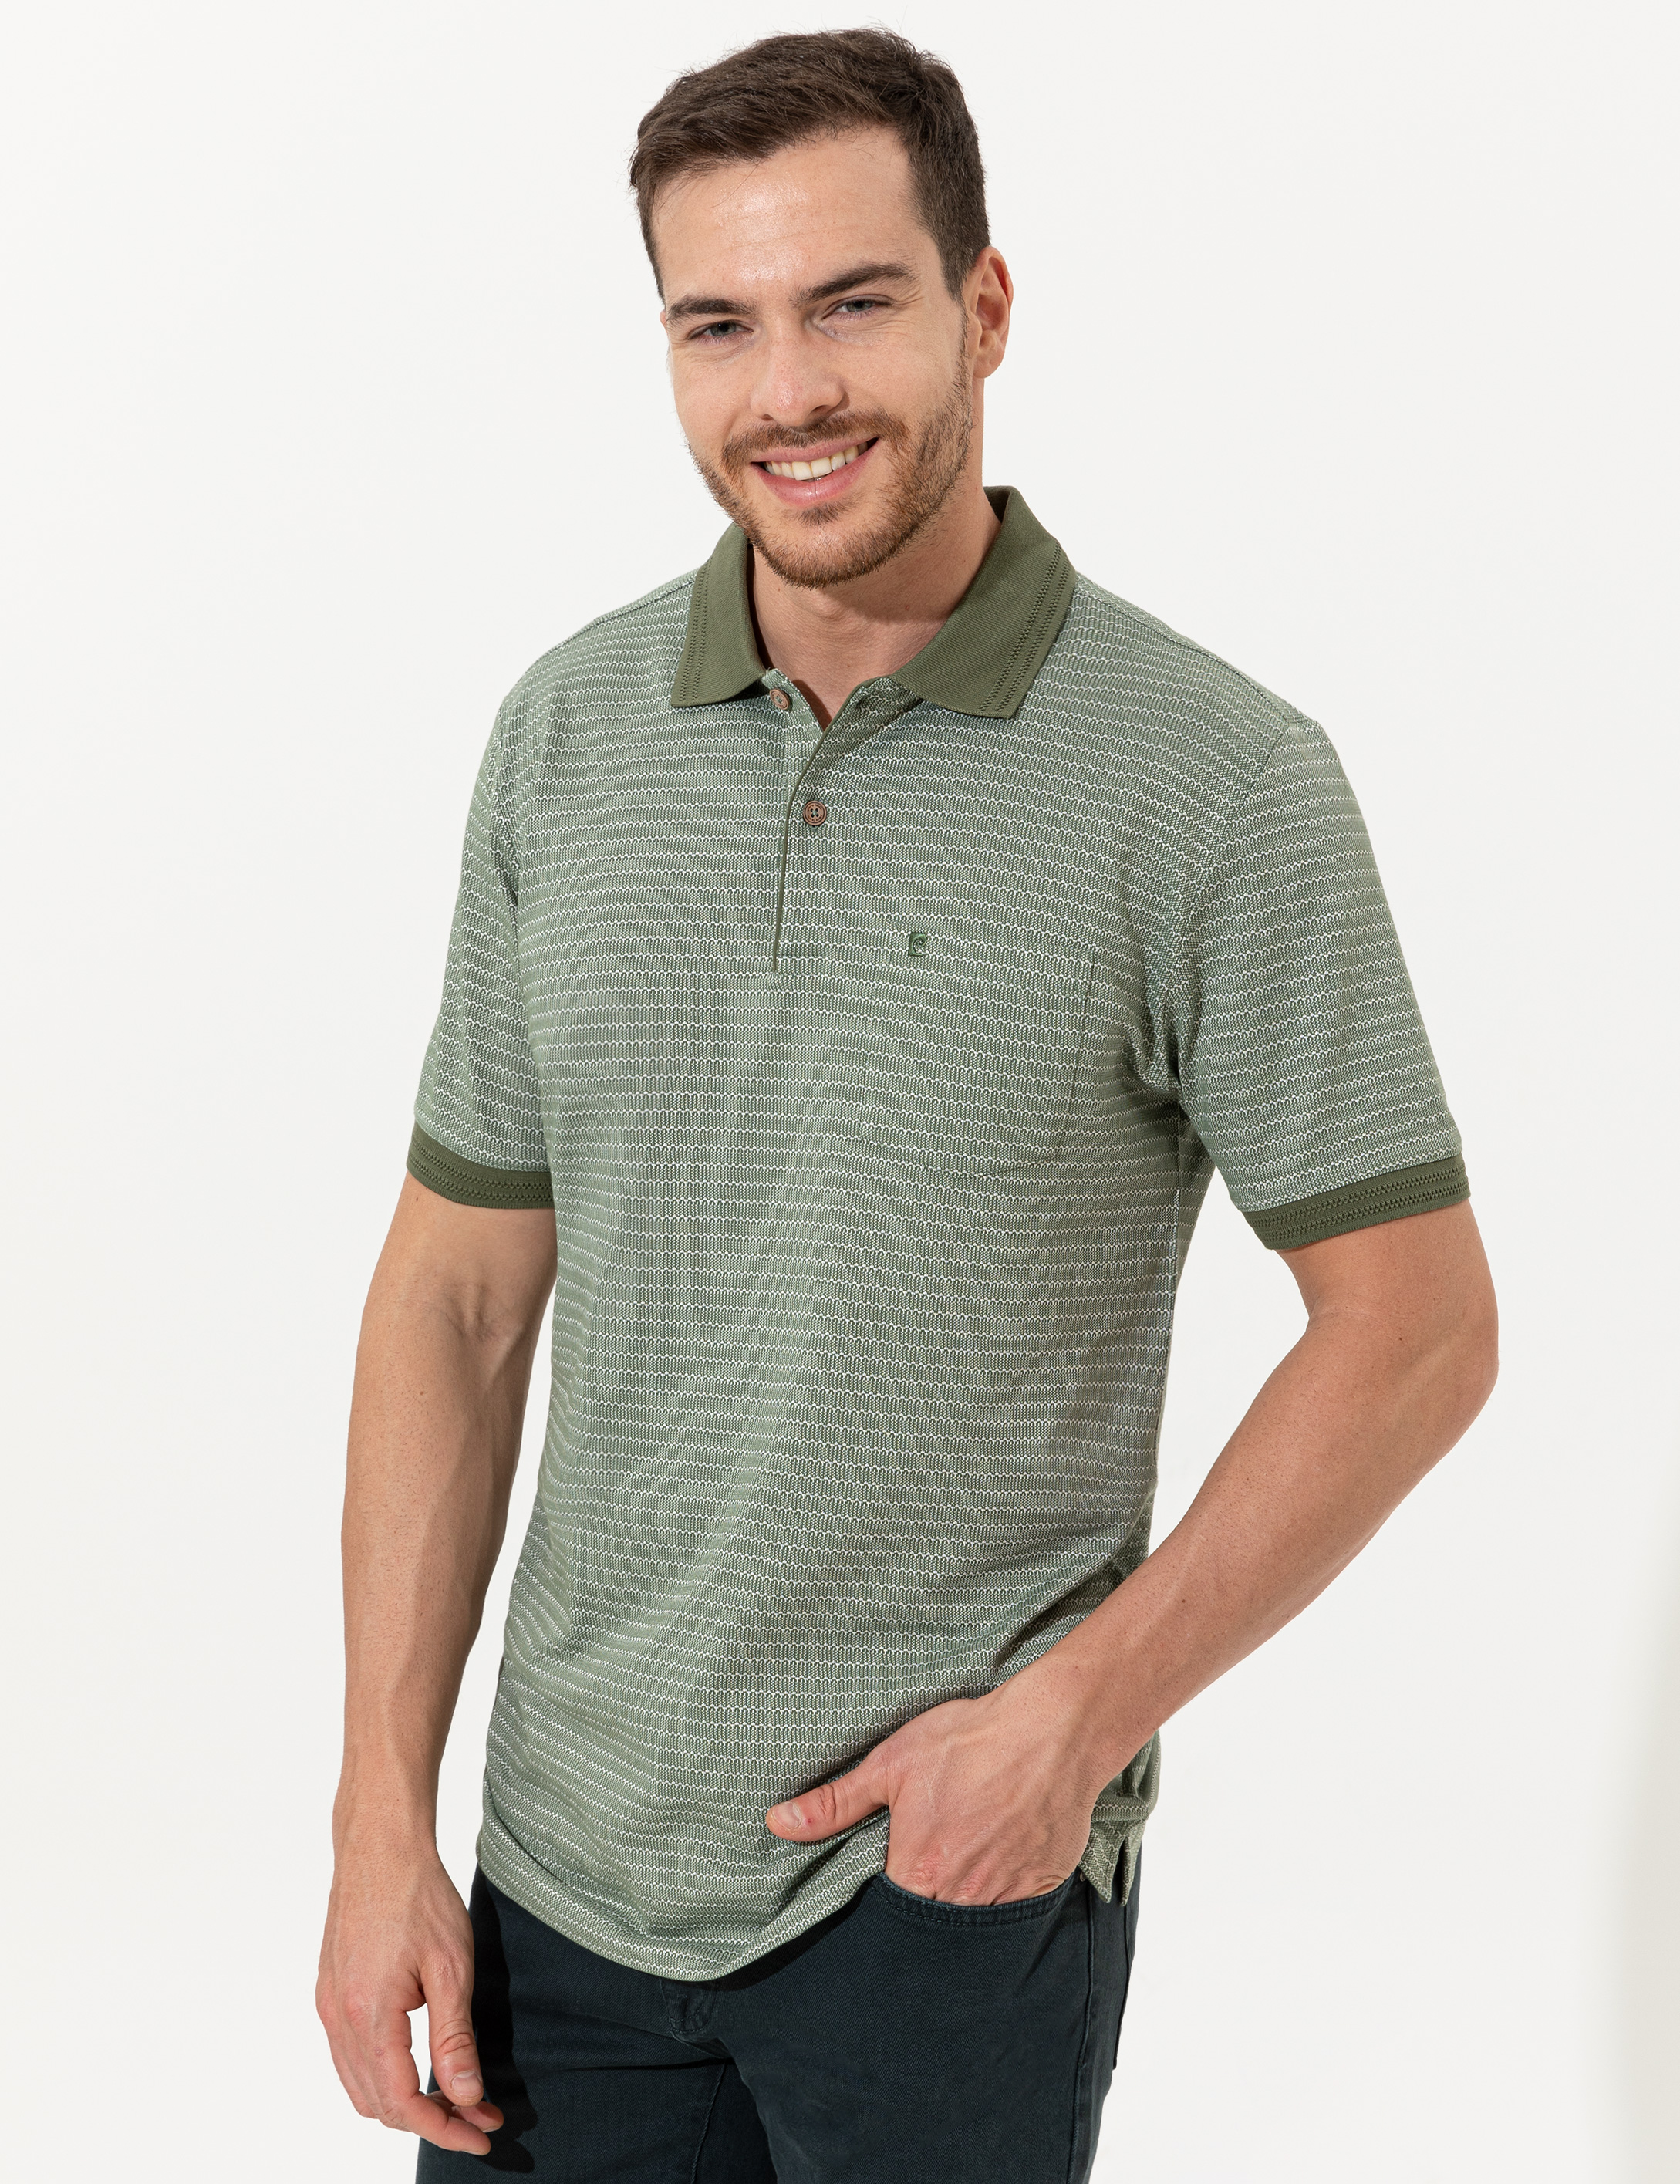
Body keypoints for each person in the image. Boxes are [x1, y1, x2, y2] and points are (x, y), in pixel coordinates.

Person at [315, 27, 1498, 2182]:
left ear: (985, 307)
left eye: (851, 303)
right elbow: (456, 1300)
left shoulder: (1214, 782)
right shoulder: (564, 736)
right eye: (719, 324)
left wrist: (1072, 1724)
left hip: (938, 1897)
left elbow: (1416, 1326)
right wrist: (378, 1817)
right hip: (552, 1884)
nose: (789, 391)